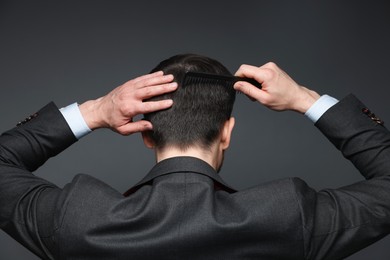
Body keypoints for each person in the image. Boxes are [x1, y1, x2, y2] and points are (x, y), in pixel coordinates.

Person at [0, 54, 389, 260]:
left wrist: (96, 111)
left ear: (145, 136)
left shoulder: (78, 220)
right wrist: (304, 98)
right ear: (227, 133)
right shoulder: (288, 217)